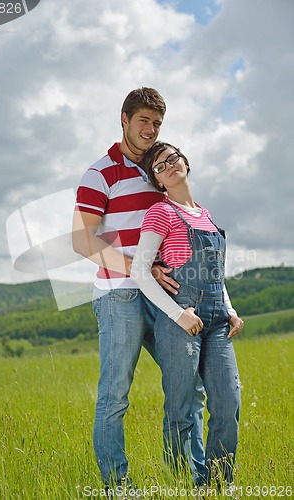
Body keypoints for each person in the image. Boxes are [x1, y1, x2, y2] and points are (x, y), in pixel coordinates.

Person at [72, 88, 205, 491]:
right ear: (125, 120)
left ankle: (189, 477)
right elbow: (82, 241)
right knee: (115, 395)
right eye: (143, 121)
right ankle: (117, 485)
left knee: (188, 386)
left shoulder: (157, 173)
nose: (150, 130)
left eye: (157, 123)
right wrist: (138, 268)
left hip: (166, 297)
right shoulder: (100, 174)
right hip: (120, 296)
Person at [131, 141, 242, 485]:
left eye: (172, 159)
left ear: (185, 162)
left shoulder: (206, 214)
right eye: (159, 167)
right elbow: (140, 271)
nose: (168, 166)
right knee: (180, 409)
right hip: (181, 321)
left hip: (217, 322)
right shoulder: (160, 213)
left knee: (227, 405)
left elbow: (214, 273)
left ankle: (218, 485)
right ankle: (181, 484)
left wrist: (230, 309)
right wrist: (178, 315)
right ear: (158, 182)